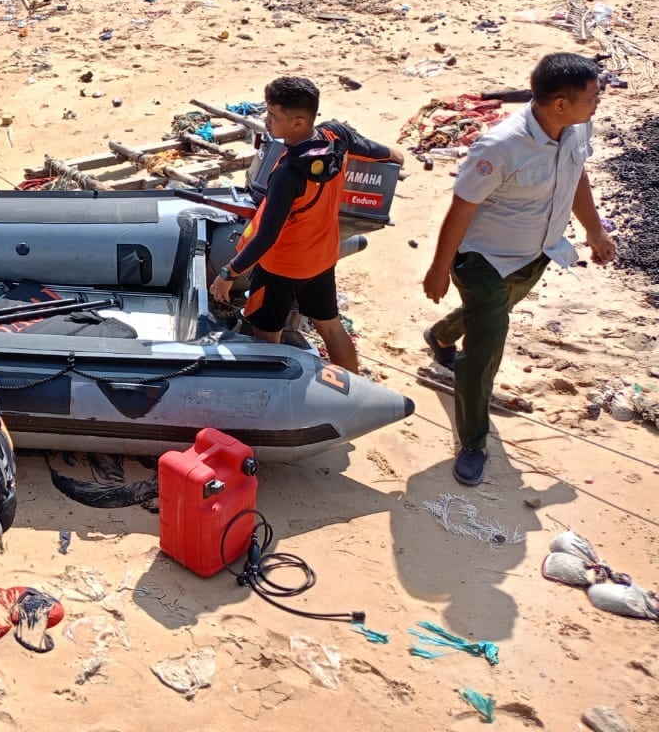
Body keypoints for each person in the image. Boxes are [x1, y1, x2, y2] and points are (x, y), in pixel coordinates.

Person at [422, 53, 616, 486]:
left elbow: (576, 175)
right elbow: (460, 209)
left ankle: (439, 335)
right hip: (482, 262)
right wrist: (439, 269)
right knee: (484, 353)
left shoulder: (577, 126)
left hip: (537, 253)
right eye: (592, 96)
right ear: (560, 103)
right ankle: (473, 441)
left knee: (495, 313)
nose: (598, 101)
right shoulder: (500, 147)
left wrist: (595, 232)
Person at [210, 76, 403, 372]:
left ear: (299, 122)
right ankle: (352, 386)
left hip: (280, 267)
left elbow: (266, 237)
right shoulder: (335, 136)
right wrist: (393, 154)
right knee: (330, 324)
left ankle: (270, 395)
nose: (266, 120)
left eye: (273, 116)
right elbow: (367, 146)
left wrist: (228, 273)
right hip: (321, 257)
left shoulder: (288, 174)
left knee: (266, 331)